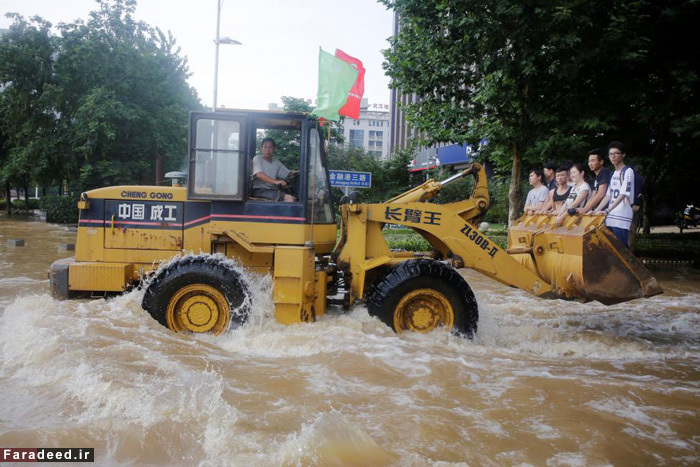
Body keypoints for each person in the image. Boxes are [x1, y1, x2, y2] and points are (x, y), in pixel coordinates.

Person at [593, 141, 635, 247]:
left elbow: (623, 194)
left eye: (616, 153)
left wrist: (607, 210)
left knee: (621, 248)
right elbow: (608, 195)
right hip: (611, 216)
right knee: (611, 248)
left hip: (622, 216)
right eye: (610, 154)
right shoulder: (613, 173)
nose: (613, 156)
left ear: (623, 155)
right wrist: (596, 210)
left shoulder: (628, 171)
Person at [251, 138, 296, 202]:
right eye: (265, 147)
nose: (267, 150)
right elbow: (259, 175)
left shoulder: (276, 162)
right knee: (288, 198)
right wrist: (276, 182)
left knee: (294, 198)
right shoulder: (257, 159)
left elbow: (288, 173)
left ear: (274, 149)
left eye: (270, 147)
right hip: (259, 190)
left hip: (270, 191)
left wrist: (300, 172)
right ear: (261, 149)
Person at [577, 148, 612, 214]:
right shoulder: (596, 177)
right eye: (589, 161)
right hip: (599, 210)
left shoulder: (604, 172)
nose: (590, 163)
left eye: (593, 161)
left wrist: (585, 210)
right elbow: (593, 196)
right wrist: (586, 210)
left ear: (601, 162)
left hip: (607, 210)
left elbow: (601, 194)